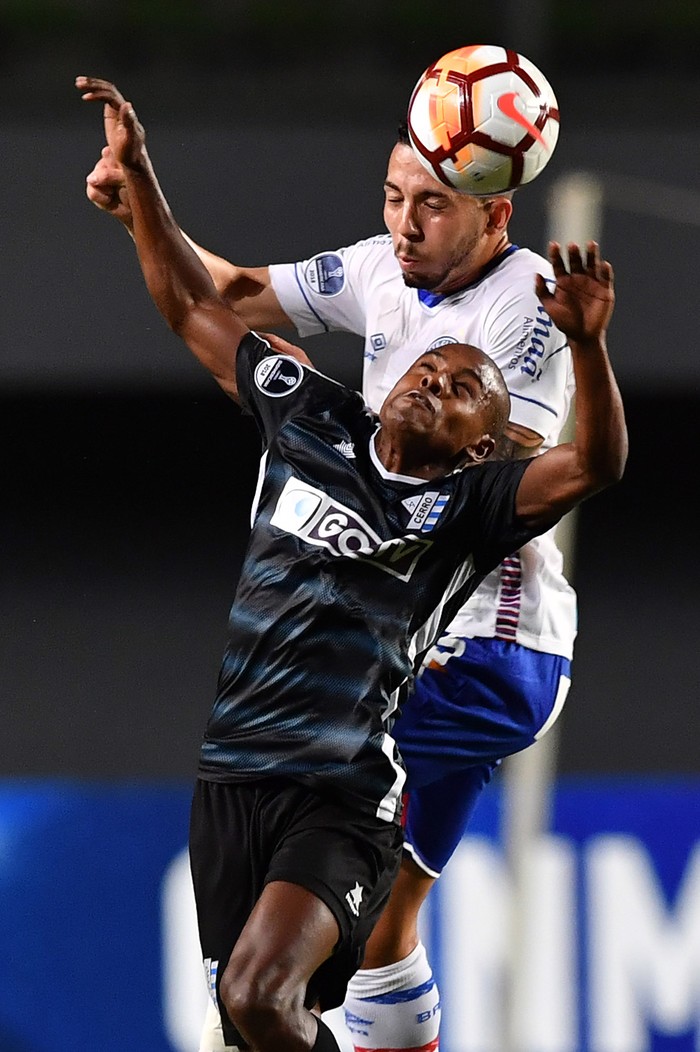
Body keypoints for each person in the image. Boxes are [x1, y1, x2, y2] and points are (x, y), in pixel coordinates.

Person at [79, 76, 585, 1052]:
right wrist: (140, 198)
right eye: (393, 197)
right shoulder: (378, 269)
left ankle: (267, 997)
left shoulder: (526, 303)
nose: (404, 224)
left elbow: (491, 486)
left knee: (310, 811)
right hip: (415, 644)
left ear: (495, 209)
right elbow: (219, 292)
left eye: (432, 203)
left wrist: (340, 475)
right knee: (380, 925)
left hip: (488, 648)